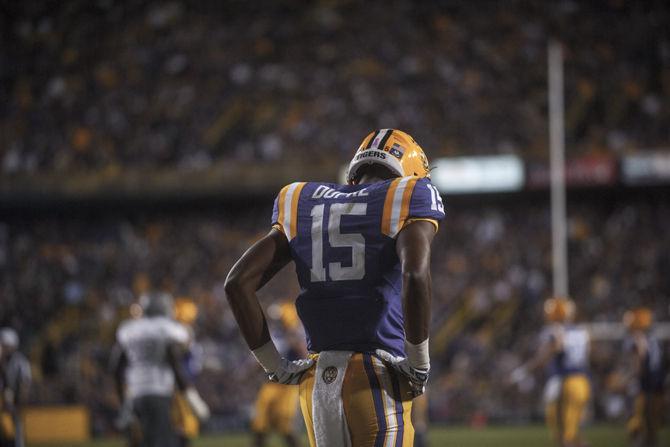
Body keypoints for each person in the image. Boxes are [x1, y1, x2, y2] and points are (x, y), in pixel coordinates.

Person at [225, 129, 445, 446]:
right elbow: (414, 274)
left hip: (316, 384)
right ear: (411, 174)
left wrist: (275, 367)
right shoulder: (411, 195)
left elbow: (236, 283)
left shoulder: (302, 199)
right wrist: (419, 363)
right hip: (376, 379)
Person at [111, 292, 210, 447]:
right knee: (161, 440)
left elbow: (116, 369)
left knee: (139, 440)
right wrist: (192, 397)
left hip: (135, 395)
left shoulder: (129, 330)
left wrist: (123, 402)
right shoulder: (167, 329)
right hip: (158, 393)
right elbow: (175, 364)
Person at [511, 297, 591, 447]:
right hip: (582, 380)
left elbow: (546, 354)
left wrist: (524, 371)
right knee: (575, 427)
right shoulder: (582, 331)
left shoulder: (555, 331)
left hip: (564, 380)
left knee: (560, 428)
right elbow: (587, 355)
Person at [251, 302, 306, 447]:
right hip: (270, 383)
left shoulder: (299, 333)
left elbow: (304, 355)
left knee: (285, 425)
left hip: (288, 385)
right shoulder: (275, 333)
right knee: (260, 424)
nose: (278, 321)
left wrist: (294, 339)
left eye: (281, 318)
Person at [622, 307, 665, 447]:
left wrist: (628, 379)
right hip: (658, 384)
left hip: (645, 385)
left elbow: (639, 361)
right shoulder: (654, 339)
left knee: (637, 421)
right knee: (652, 424)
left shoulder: (637, 339)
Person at [0, 328, 31, 447]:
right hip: (5, 400)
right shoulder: (4, 361)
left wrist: (20, 403)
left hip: (14, 401)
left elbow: (25, 383)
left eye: (4, 344)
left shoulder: (19, 361)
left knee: (16, 431)